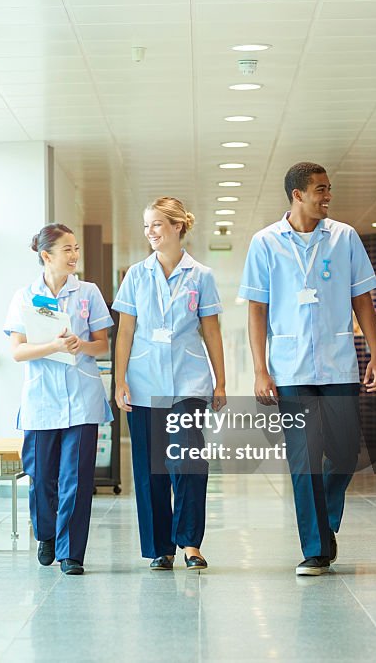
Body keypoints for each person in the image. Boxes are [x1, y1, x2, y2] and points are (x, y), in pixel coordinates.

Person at [238, 161, 376, 576]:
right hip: (289, 368)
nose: (327, 197)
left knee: (344, 452)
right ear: (297, 195)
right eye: (320, 190)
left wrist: (375, 354)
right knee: (303, 459)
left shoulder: (345, 238)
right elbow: (257, 309)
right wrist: (259, 370)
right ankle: (316, 548)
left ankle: (321, 519)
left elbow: (362, 299)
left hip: (339, 365)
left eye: (328, 189)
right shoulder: (265, 242)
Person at [113, 197, 226, 571]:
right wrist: (119, 381)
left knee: (188, 462)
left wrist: (220, 382)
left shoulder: (201, 276)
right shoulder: (136, 275)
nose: (150, 233)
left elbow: (211, 330)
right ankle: (160, 548)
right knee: (149, 470)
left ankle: (190, 542)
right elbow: (125, 331)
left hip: (189, 384)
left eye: (157, 225)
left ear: (178, 226)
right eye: (147, 226)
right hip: (144, 383)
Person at [4, 223, 114, 576]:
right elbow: (18, 352)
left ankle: (71, 553)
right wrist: (53, 346)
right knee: (41, 476)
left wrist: (81, 346)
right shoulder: (24, 297)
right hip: (40, 399)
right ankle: (47, 535)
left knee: (77, 479)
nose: (75, 256)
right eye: (67, 250)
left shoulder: (89, 293)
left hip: (81, 397)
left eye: (77, 249)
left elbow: (103, 345)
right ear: (46, 256)